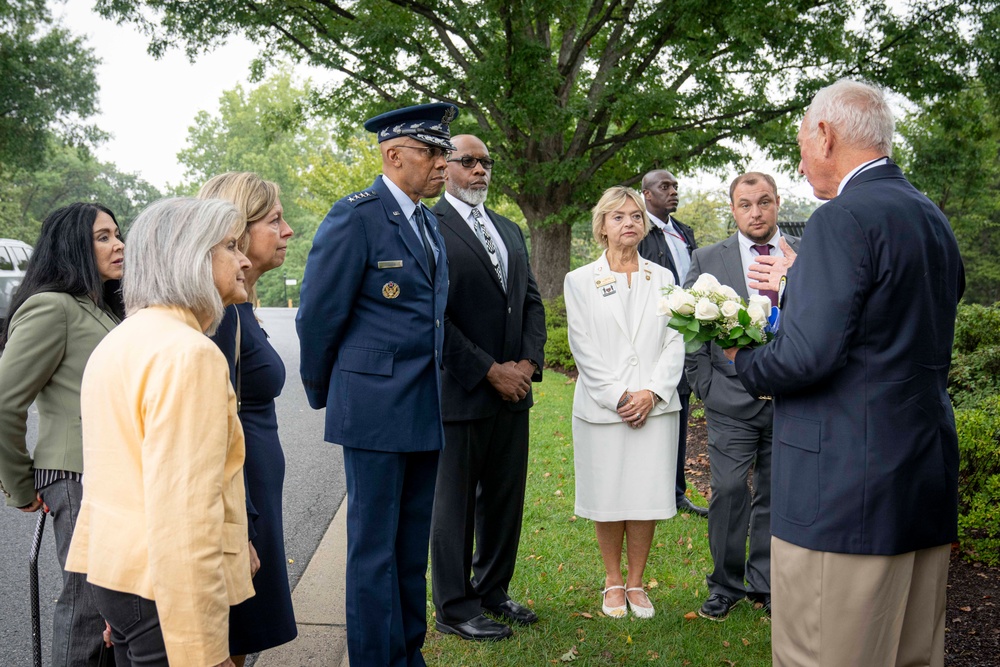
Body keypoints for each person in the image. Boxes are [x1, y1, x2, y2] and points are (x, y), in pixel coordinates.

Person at [726, 79, 965, 666]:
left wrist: (742, 358)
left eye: (803, 141)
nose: (803, 160)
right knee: (911, 655)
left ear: (826, 135)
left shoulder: (841, 219)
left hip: (843, 493)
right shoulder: (930, 217)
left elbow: (808, 356)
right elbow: (886, 330)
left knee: (824, 653)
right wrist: (798, 284)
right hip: (919, 481)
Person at [296, 102, 455, 666]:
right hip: (373, 408)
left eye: (445, 152)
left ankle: (408, 654)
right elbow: (318, 316)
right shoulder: (355, 217)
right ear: (394, 155)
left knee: (410, 550)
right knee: (372, 553)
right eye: (433, 152)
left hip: (423, 407)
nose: (444, 163)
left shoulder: (429, 221)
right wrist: (330, 393)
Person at [66, 197, 255, 667]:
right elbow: (185, 517)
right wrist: (202, 652)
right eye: (231, 246)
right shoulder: (188, 354)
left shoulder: (122, 339)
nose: (245, 260)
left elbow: (107, 477)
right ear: (189, 255)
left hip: (119, 577)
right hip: (165, 590)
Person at [429, 134, 547, 641]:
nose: (480, 170)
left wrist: (525, 363)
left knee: (504, 498)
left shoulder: (508, 228)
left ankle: (493, 590)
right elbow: (435, 317)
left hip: (513, 393)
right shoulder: (429, 227)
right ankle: (456, 606)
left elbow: (531, 302)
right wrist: (488, 371)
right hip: (461, 390)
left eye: (486, 162)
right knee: (454, 505)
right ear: (446, 167)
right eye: (469, 162)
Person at [0, 203, 124, 667]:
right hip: (74, 476)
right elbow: (5, 401)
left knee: (112, 605)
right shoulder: (51, 307)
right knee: (87, 608)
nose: (119, 244)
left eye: (117, 234)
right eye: (103, 237)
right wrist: (21, 485)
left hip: (106, 476)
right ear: (73, 246)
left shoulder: (97, 308)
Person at [564, 185, 685, 619]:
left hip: (655, 407)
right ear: (602, 226)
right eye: (618, 217)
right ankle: (612, 580)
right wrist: (619, 396)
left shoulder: (664, 279)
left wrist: (651, 393)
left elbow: (676, 340)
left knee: (645, 493)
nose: (628, 223)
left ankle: (637, 582)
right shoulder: (579, 281)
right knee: (609, 493)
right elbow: (583, 345)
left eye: (635, 215)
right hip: (604, 409)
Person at [684, 172, 801, 621]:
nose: (756, 212)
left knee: (776, 493)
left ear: (777, 204)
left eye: (764, 202)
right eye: (746, 204)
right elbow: (689, 328)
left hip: (791, 398)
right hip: (730, 400)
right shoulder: (708, 258)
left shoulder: (803, 255)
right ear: (733, 209)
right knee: (730, 491)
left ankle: (766, 582)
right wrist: (706, 385)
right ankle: (725, 583)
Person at [197, 172, 297, 664]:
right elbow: (208, 431)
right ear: (236, 230)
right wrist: (238, 528)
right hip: (241, 497)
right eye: (275, 220)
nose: (288, 231)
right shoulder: (216, 315)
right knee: (227, 639)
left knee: (241, 636)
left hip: (255, 490)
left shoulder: (239, 306)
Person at [637, 170, 706, 517]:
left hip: (685, 333)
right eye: (665, 187)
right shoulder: (639, 232)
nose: (673, 191)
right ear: (647, 194)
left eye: (675, 186)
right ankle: (648, 489)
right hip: (652, 335)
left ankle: (676, 492)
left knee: (680, 406)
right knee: (653, 411)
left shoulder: (683, 233)